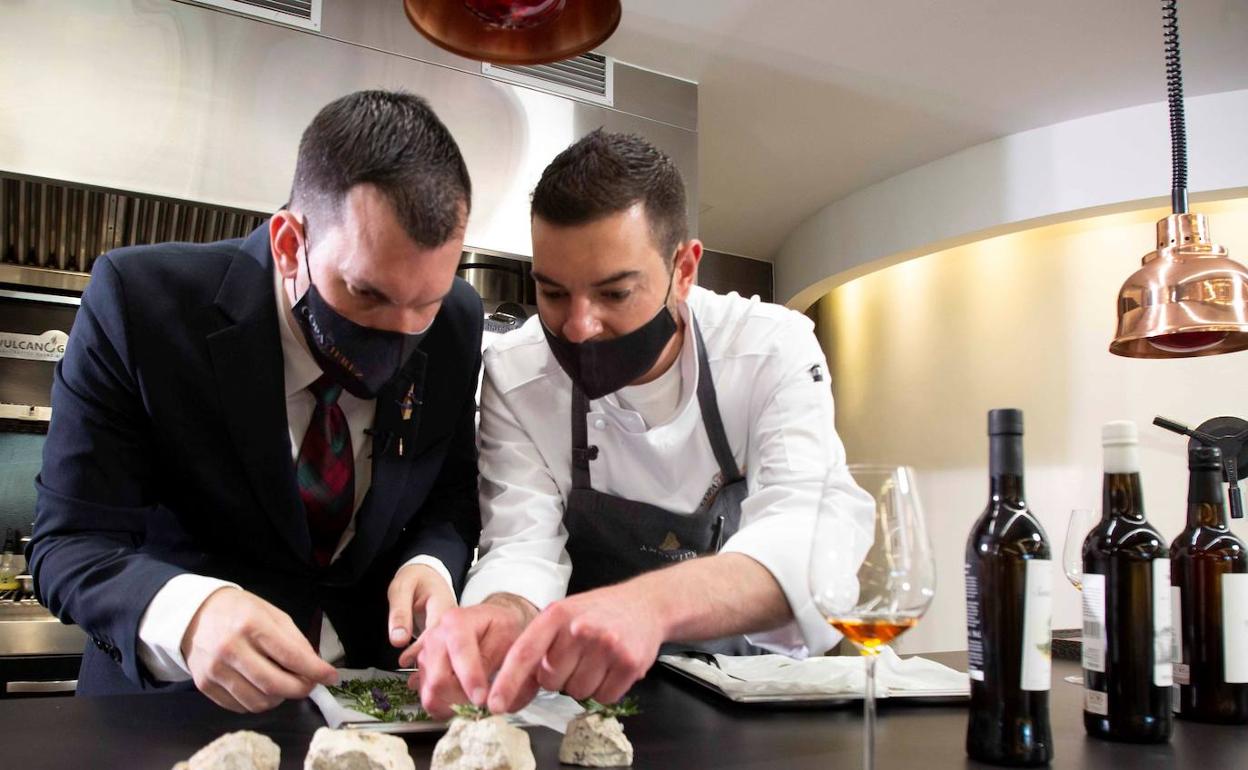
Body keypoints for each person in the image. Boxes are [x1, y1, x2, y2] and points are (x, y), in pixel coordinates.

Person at [28, 90, 483, 712]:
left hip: (376, 710)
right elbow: (70, 544)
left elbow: (452, 497)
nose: (403, 332)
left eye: (425, 303)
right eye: (367, 295)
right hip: (175, 710)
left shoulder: (458, 321)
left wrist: (432, 563)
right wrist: (191, 614)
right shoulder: (139, 304)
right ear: (290, 245)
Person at [413, 130, 873, 718]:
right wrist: (499, 615)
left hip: (753, 695)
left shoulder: (768, 349)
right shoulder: (516, 372)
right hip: (590, 702)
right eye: (553, 293)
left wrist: (648, 606)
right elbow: (521, 547)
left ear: (684, 269)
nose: (579, 327)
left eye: (615, 293)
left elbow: (809, 539)